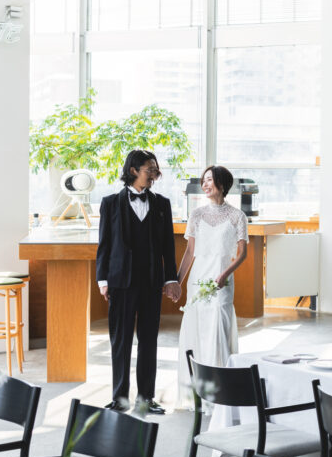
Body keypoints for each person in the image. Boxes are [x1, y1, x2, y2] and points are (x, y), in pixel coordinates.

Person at [96, 150, 182, 414]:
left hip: (152, 282)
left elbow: (168, 246)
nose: (154, 174)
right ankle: (119, 399)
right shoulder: (110, 203)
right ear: (133, 170)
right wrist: (102, 280)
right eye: (149, 169)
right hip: (120, 281)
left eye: (155, 169)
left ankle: (146, 399)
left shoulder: (162, 204)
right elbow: (104, 245)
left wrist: (171, 279)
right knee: (120, 341)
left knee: (149, 341)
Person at [176, 165, 248, 405]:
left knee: (218, 330)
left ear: (222, 184)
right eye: (204, 180)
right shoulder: (196, 214)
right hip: (198, 280)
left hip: (223, 282)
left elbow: (242, 254)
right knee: (197, 329)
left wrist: (225, 274)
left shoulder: (238, 216)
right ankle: (196, 394)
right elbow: (190, 252)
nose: (205, 184)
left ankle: (221, 394)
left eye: (210, 180)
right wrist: (177, 282)